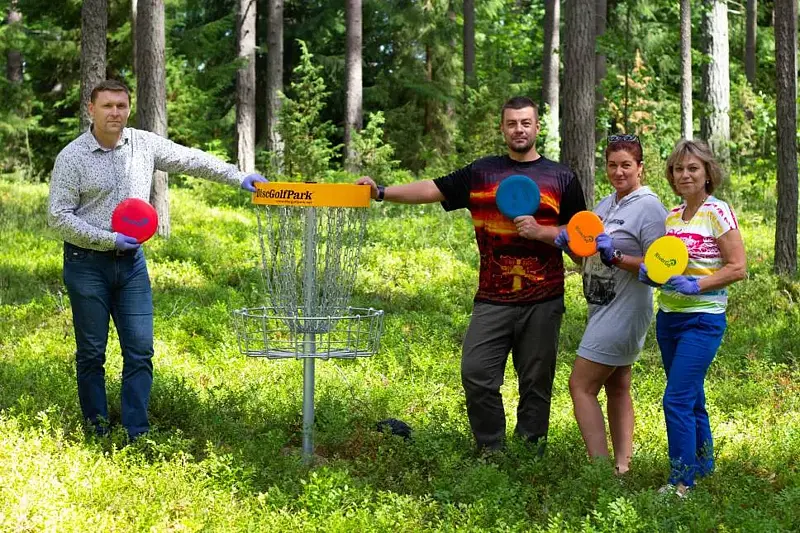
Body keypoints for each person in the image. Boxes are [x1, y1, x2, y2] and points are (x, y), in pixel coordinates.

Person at [356, 96, 586, 452]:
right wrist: (381, 192)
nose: (519, 129)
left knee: (536, 382)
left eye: (526, 122)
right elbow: (433, 188)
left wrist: (543, 232)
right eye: (512, 123)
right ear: (502, 128)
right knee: (476, 372)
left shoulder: (562, 177)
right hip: (493, 297)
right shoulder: (483, 173)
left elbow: (578, 238)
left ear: (537, 127)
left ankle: (529, 455)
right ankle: (491, 449)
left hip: (544, 298)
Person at [48, 80, 267, 439]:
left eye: (121, 105)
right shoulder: (72, 157)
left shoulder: (144, 145)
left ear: (128, 108)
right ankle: (97, 430)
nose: (115, 112)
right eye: (107, 106)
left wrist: (239, 176)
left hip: (131, 264)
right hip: (86, 264)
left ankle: (137, 432)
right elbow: (58, 217)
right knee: (91, 353)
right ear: (91, 109)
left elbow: (191, 159)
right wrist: (108, 239)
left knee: (140, 350)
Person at [639, 139, 746, 496]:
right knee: (691, 395)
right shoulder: (673, 216)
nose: (685, 174)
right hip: (669, 318)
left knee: (676, 399)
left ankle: (681, 482)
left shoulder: (718, 212)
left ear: (707, 173)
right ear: (671, 175)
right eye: (678, 169)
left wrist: (696, 285)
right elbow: (669, 265)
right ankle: (703, 465)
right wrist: (651, 274)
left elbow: (738, 267)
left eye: (693, 168)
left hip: (703, 319)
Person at [554, 134, 667, 474]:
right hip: (600, 306)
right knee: (618, 386)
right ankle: (622, 468)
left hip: (626, 309)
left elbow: (659, 267)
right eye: (612, 165)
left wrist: (617, 256)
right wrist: (570, 247)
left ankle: (600, 472)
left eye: (626, 165)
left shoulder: (649, 208)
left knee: (580, 385)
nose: (619, 172)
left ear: (640, 168)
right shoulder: (606, 205)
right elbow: (589, 258)